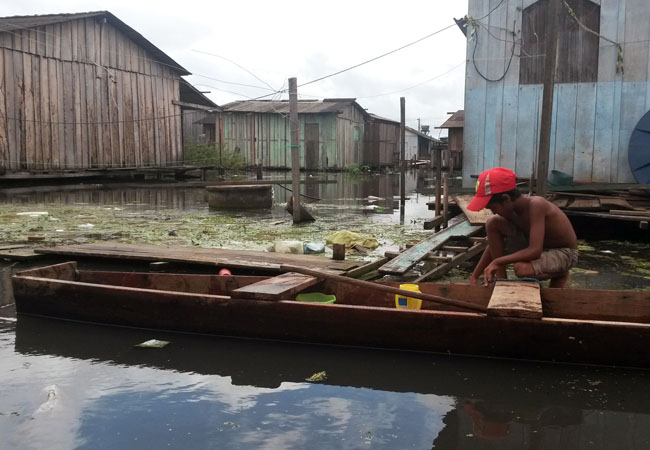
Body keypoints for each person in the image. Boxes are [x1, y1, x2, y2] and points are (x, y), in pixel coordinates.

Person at [467, 167, 578, 288]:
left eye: (493, 208)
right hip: (539, 249)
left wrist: (497, 262)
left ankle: (559, 274)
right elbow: (493, 246)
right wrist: (474, 277)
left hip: (564, 253)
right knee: (492, 223)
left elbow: (534, 251)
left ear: (506, 199)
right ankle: (501, 281)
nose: (494, 212)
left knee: (521, 269)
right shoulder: (510, 212)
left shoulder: (536, 205)